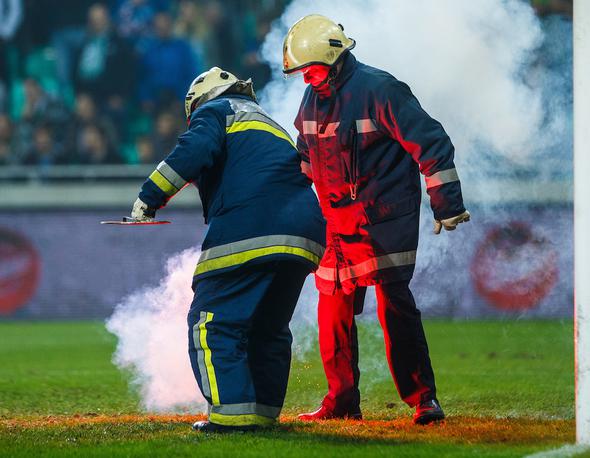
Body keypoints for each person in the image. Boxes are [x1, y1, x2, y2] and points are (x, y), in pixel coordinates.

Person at [283, 14, 470, 425]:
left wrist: (447, 203)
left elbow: (432, 143)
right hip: (336, 223)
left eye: (310, 70)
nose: (305, 79)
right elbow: (305, 155)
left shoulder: (380, 89)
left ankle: (424, 400)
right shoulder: (312, 98)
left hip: (382, 220)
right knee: (331, 312)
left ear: (332, 59)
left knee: (395, 307)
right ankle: (342, 401)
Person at [130, 67, 326, 432]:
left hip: (253, 224)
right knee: (268, 326)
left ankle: (233, 415)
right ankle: (263, 411)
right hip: (305, 233)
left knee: (211, 322)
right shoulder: (268, 122)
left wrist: (149, 196)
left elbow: (195, 150)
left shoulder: (217, 111)